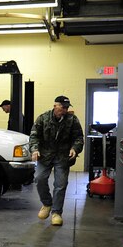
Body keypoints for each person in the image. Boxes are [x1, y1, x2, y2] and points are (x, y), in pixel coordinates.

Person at [29, 95, 84, 226]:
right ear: (55, 106)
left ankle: (56, 212)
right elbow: (34, 136)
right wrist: (35, 149)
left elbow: (78, 138)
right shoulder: (43, 118)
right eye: (62, 107)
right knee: (39, 179)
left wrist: (75, 149)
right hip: (45, 155)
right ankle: (47, 204)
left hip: (62, 156)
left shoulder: (72, 120)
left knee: (60, 184)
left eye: (66, 108)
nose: (64, 110)